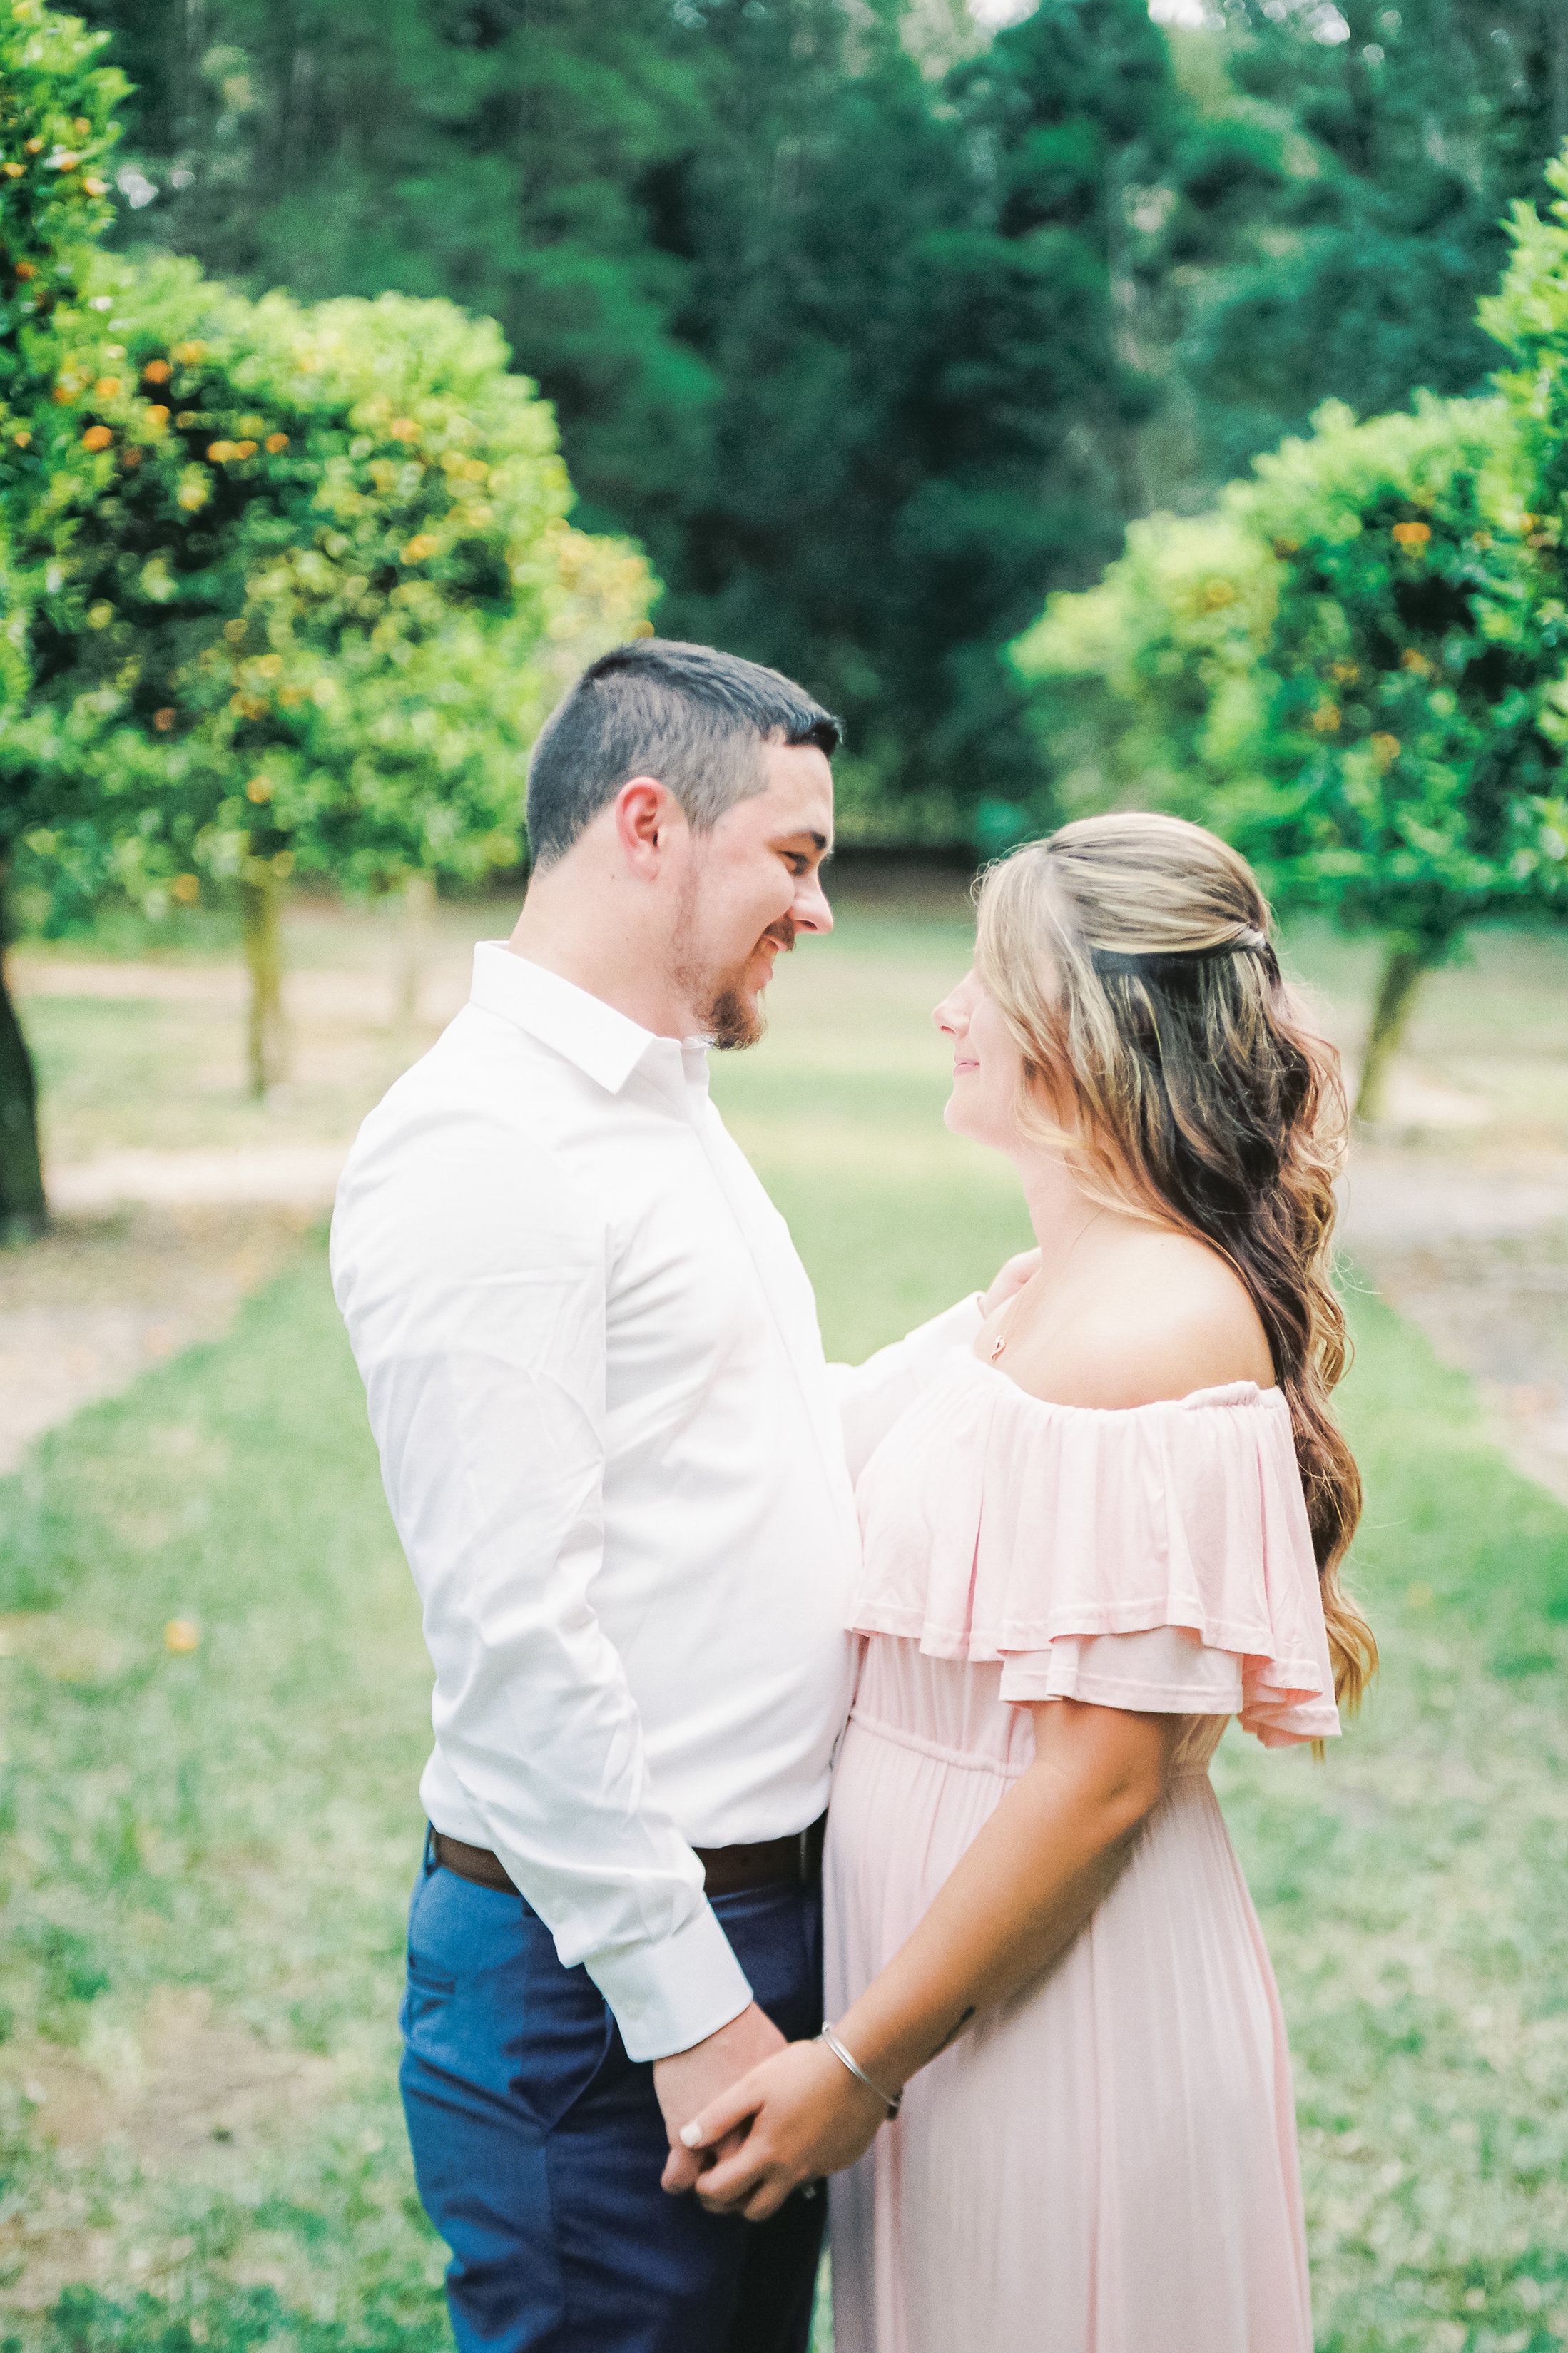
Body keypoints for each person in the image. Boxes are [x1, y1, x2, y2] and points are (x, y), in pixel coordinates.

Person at [330, 639, 1031, 2353]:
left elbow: (775, 1432)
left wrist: (1030, 1310)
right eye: (794, 857)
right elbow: (515, 1640)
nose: (822, 909)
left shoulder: (657, 1110)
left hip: (766, 1925)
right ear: (647, 823)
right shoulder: (490, 1148)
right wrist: (689, 2014)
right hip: (605, 1985)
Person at [678, 810, 1378, 2353]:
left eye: (978, 980)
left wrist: (857, 2062)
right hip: (949, 1986)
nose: (944, 1011)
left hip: (1051, 2002)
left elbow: (1098, 1784)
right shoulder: (1056, 1281)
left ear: (1076, 1024)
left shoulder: (1152, 1328)